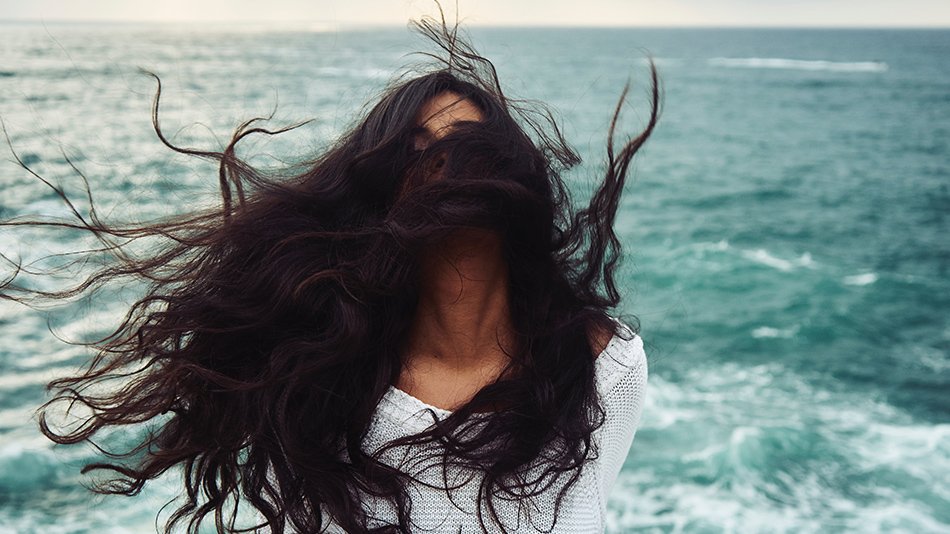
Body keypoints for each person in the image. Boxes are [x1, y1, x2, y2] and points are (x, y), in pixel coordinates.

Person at [3, 13, 657, 534]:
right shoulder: (325, 387)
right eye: (416, 153)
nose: (443, 167)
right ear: (380, 192)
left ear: (515, 175)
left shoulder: (608, 366)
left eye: (466, 146)